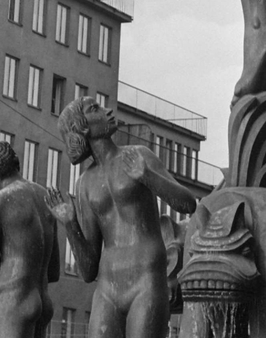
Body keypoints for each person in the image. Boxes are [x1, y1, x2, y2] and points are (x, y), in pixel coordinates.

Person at [46, 97, 198, 338]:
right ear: (83, 127)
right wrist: (70, 223)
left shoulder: (139, 156)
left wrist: (148, 177)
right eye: (95, 109)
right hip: (107, 290)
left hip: (146, 282)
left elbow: (188, 203)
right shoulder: (85, 184)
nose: (107, 111)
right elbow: (87, 271)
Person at [0, 142, 60, 338]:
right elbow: (54, 272)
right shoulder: (45, 197)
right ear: (16, 164)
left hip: (15, 301)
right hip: (43, 302)